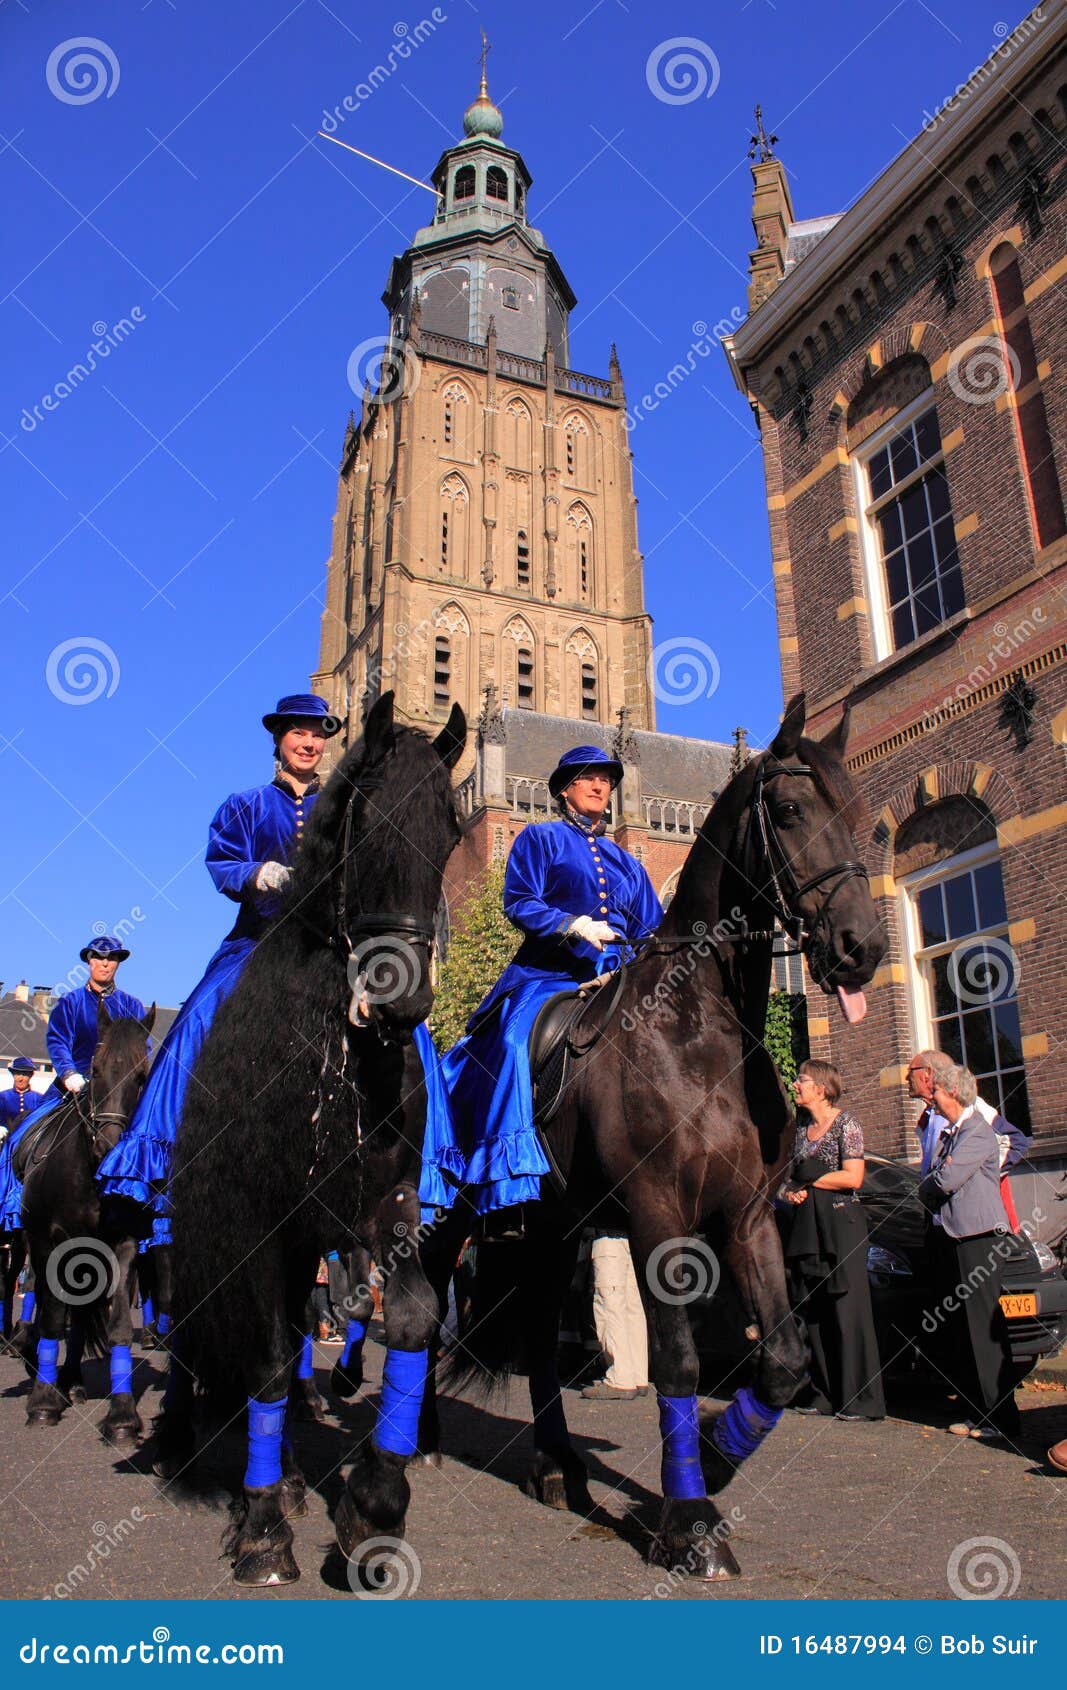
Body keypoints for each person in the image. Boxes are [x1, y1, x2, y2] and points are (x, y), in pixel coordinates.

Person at [97, 694, 342, 1227]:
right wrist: (258, 874)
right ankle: (160, 1159)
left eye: (318, 734)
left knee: (406, 1031)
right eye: (297, 732)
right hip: (258, 939)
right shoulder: (246, 804)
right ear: (278, 741)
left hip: (327, 945)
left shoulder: (343, 810)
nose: (308, 742)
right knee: (199, 1018)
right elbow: (222, 860)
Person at [442, 744, 663, 1215]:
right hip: (549, 974)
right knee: (513, 1044)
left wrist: (637, 962)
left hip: (618, 977)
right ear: (565, 790)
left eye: (606, 779)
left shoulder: (629, 863)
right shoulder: (539, 840)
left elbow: (653, 930)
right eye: (589, 778)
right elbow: (519, 901)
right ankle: (506, 1183)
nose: (601, 786)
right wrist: (573, 925)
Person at [917, 1055, 1021, 1443]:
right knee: (964, 1327)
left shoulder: (976, 1131)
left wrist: (926, 1188)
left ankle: (1003, 1416)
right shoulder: (952, 1132)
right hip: (957, 1236)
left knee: (983, 1326)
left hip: (979, 1236)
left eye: (938, 1090)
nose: (934, 1096)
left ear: (953, 1093)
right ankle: (980, 1408)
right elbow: (937, 1178)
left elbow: (943, 1181)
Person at [779, 1058, 885, 1421]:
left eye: (802, 1080)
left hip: (842, 1225)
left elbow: (853, 1178)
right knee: (815, 1310)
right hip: (808, 1227)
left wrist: (809, 1178)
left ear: (821, 1089)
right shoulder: (801, 1130)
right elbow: (792, 1178)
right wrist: (793, 1190)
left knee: (848, 1309)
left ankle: (862, 1399)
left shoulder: (846, 1124)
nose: (796, 1085)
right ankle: (824, 1392)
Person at [907, 1048, 1029, 1225]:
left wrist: (977, 1174)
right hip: (940, 1216)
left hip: (971, 1219)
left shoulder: (970, 1106)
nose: (906, 1078)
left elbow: (1015, 1141)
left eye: (911, 1071)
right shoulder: (927, 1118)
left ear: (928, 1073)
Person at [43, 936, 148, 1106]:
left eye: (112, 958)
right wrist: (68, 1073)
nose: (105, 963)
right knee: (28, 1127)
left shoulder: (132, 1006)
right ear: (89, 961)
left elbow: (143, 1048)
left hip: (121, 1090)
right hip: (73, 1086)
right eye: (99, 957)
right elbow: (58, 1041)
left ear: (118, 963)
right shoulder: (70, 1001)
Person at [581, 1228, 650, 1402]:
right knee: (632, 1307)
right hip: (630, 1240)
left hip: (607, 1240)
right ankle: (637, 1376)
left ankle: (620, 1379)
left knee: (609, 1305)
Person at [0, 1058, 45, 1142]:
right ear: (13, 1075)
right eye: (17, 1074)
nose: (20, 1078)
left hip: (30, 1140)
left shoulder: (40, 1099)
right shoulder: (2, 1097)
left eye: (24, 1074)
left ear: (31, 1075)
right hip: (5, 1139)